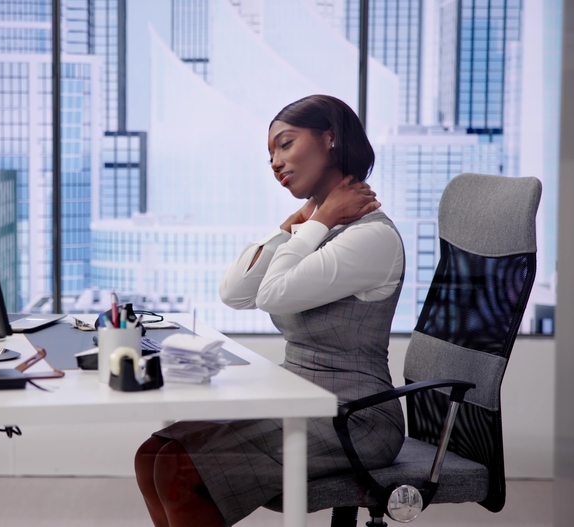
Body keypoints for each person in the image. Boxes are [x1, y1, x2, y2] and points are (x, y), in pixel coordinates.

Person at [133, 94, 407, 527]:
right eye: (270, 154)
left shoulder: (370, 237)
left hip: (356, 418)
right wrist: (297, 222)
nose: (275, 162)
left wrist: (315, 223)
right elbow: (235, 291)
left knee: (179, 470)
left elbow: (272, 294)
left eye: (285, 144)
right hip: (298, 396)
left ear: (329, 139)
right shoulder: (320, 228)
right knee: (152, 455)